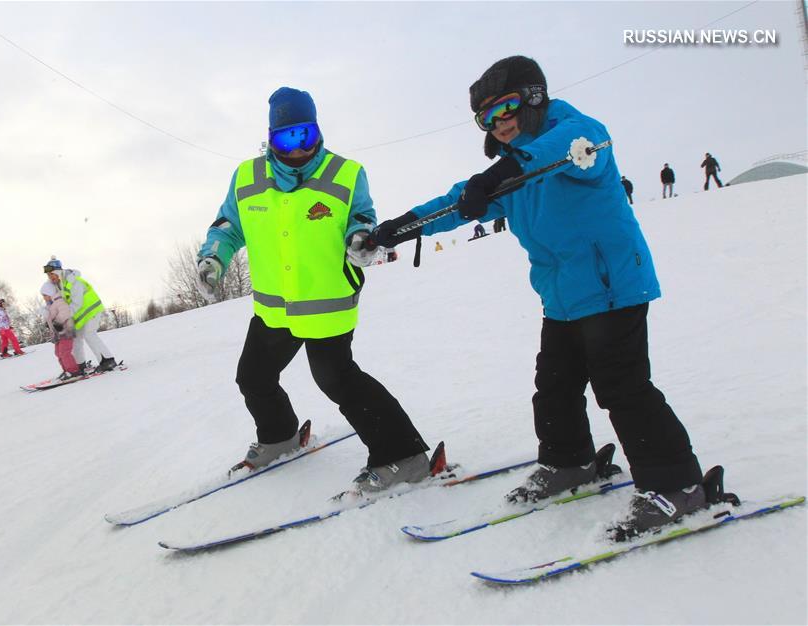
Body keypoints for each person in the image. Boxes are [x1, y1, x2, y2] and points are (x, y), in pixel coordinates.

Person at [370, 56, 710, 539]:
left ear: (532, 99)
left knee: (622, 387)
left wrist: (496, 178)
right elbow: (451, 205)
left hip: (612, 285)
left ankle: (678, 487)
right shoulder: (510, 173)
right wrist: (393, 232)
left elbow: (553, 154)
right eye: (486, 118)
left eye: (505, 108)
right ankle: (568, 464)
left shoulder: (580, 134)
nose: (498, 123)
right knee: (553, 383)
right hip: (562, 298)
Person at [196, 87, 432, 493]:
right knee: (253, 376)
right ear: (270, 139)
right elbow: (228, 226)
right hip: (274, 307)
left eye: (304, 135)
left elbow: (362, 217)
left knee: (337, 380)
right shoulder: (247, 177)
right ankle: (279, 437)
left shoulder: (346, 172)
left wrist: (361, 240)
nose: (297, 148)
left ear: (317, 131)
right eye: (285, 138)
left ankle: (404, 456)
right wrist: (213, 257)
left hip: (327, 305)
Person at [43, 257, 117, 373]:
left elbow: (76, 304)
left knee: (89, 334)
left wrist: (61, 320)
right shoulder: (60, 285)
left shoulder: (74, 282)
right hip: (81, 316)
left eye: (52, 274)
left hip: (91, 311)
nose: (51, 277)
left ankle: (108, 360)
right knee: (76, 339)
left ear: (58, 272)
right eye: (48, 275)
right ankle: (80, 366)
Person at [40, 281, 82, 380]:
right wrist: (47, 321)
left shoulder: (59, 302)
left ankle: (73, 371)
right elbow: (51, 318)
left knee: (64, 352)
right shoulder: (50, 306)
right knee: (58, 353)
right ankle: (66, 370)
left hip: (66, 330)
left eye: (45, 295)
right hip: (58, 333)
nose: (44, 298)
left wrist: (56, 323)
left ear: (50, 293)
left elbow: (65, 314)